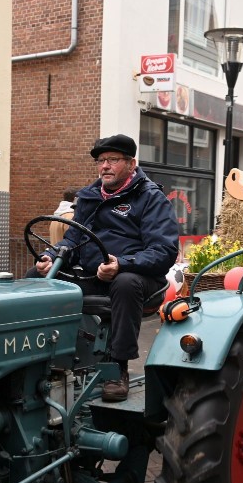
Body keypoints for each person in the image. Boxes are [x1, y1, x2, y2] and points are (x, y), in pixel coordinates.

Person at [31, 134, 179, 402]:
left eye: (112, 160)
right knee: (36, 279)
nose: (105, 166)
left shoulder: (151, 198)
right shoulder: (88, 196)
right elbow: (72, 239)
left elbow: (164, 251)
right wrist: (51, 256)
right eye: (101, 161)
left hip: (139, 277)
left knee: (125, 284)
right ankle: (36, 358)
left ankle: (117, 367)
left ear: (131, 164)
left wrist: (122, 264)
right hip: (91, 274)